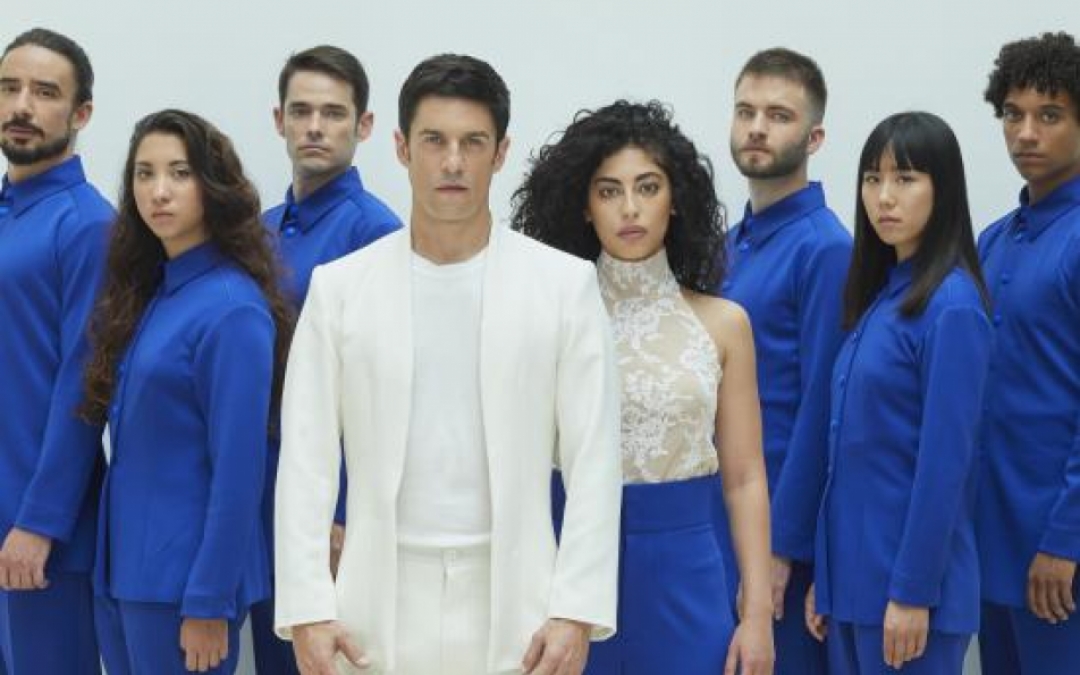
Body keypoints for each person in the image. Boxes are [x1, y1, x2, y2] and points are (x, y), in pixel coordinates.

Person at [273, 53, 622, 675]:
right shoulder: (341, 288)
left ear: (501, 152)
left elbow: (594, 458)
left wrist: (575, 609)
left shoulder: (562, 286)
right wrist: (307, 608)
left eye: (473, 142)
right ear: (403, 148)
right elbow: (306, 462)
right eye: (434, 140)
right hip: (374, 606)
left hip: (519, 605)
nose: (453, 162)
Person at [512, 99, 774, 675]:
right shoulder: (546, 321)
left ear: (675, 199)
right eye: (608, 191)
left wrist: (757, 615)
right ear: (584, 207)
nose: (630, 208)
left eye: (648, 187)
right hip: (565, 568)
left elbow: (746, 477)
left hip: (686, 569)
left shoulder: (724, 324)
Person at [81, 109, 292, 674]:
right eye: (144, 174)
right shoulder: (155, 295)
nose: (159, 191)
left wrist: (210, 600)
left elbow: (239, 471)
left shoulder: (232, 309)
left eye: (179, 173)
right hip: (125, 575)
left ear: (213, 186)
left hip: (183, 589)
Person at [805, 111, 991, 674]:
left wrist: (912, 592)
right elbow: (851, 460)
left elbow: (945, 467)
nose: (884, 196)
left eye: (905, 179)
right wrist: (826, 578)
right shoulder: (879, 298)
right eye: (872, 178)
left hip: (910, 597)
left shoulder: (952, 306)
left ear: (943, 189)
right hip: (853, 588)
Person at [254, 44, 401, 675]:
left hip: (330, 492)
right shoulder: (259, 228)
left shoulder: (376, 233)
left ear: (363, 125)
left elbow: (384, 392)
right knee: (272, 649)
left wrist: (341, 513)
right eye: (302, 111)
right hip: (260, 476)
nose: (315, 127)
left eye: (333, 113)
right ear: (279, 120)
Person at [721, 47, 851, 675]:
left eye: (778, 115)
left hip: (779, 538)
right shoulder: (729, 242)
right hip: (720, 518)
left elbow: (824, 406)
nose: (756, 128)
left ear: (814, 137)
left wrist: (783, 547)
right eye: (745, 111)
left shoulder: (825, 250)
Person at [0, 27, 112, 675]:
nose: (22, 106)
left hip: (40, 536)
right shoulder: (8, 213)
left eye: (45, 92)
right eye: (9, 88)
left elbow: (85, 385)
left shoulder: (87, 224)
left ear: (80, 113)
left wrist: (40, 523)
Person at [976, 31, 1080, 674]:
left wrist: (1066, 539)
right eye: (1013, 115)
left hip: (1059, 551)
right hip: (992, 545)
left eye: (1050, 115)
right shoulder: (992, 241)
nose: (1026, 133)